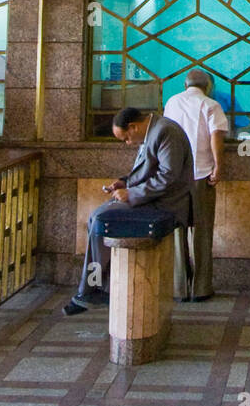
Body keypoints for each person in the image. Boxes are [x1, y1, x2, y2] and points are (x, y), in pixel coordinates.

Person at [62, 106, 194, 316]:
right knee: (95, 219)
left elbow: (168, 177)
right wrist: (123, 183)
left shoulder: (165, 131)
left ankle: (94, 288)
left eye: (125, 138)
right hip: (151, 199)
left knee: (99, 220)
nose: (128, 143)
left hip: (166, 204)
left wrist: (132, 194)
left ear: (133, 127)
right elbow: (146, 171)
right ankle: (95, 287)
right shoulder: (154, 131)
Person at [163, 68, 228, 301]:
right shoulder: (211, 105)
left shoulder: (171, 103)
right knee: (202, 232)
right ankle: (201, 289)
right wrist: (218, 166)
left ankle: (179, 288)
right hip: (202, 175)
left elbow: (165, 136)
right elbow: (216, 137)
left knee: (178, 230)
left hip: (176, 177)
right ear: (208, 86)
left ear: (185, 85)